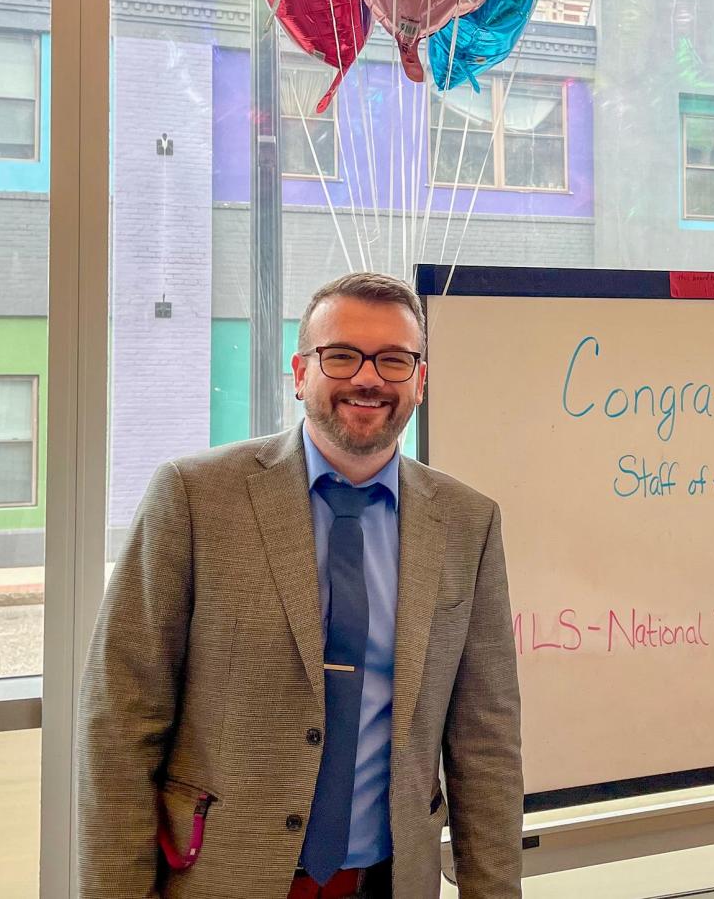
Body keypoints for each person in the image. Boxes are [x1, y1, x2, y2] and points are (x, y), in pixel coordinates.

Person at [78, 273, 523, 899]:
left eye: (395, 360)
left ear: (420, 381)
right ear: (300, 371)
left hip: (389, 881)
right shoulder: (195, 497)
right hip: (224, 875)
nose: (368, 378)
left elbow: (486, 740)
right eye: (340, 355)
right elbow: (119, 722)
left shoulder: (467, 523)